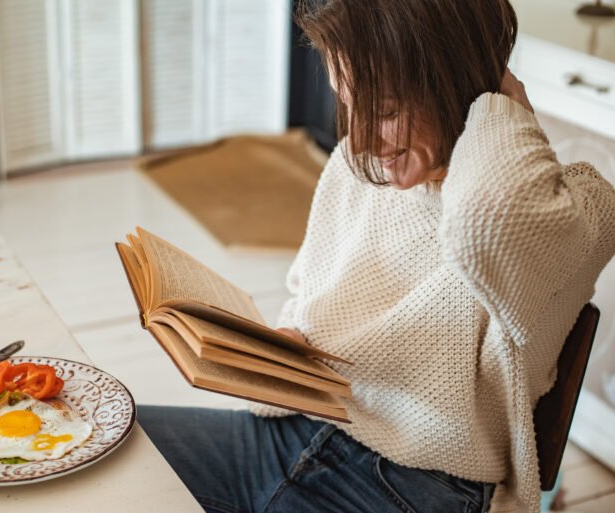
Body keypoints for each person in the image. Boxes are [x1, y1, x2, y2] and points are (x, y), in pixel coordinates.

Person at [137, 1, 615, 512]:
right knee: (97, 447)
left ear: (464, 83)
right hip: (291, 434)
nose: (360, 139)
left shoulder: (573, 212)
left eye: (385, 111)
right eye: (349, 103)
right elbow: (312, 288)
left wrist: (502, 100)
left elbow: (486, 224)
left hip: (407, 486)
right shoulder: (355, 165)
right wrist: (291, 348)